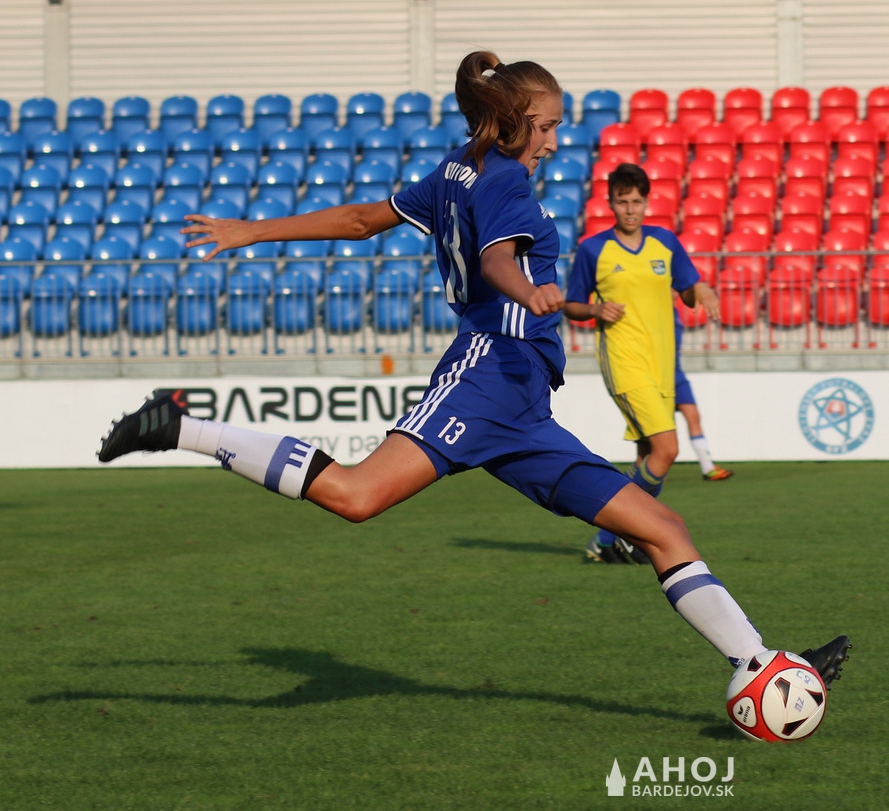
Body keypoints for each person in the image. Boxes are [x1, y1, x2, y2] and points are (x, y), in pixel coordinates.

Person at [97, 51, 849, 693]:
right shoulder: (506, 182)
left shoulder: (456, 170)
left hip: (523, 406)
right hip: (487, 373)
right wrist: (529, 290)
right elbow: (495, 261)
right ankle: (180, 427)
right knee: (356, 495)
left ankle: (758, 663)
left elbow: (361, 221)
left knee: (662, 526)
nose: (555, 139)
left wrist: (253, 230)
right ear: (515, 119)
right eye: (548, 125)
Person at [564, 163, 718, 563]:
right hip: (624, 361)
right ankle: (614, 535)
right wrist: (595, 309)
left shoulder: (665, 242)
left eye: (636, 201)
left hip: (662, 364)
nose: (630, 209)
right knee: (667, 449)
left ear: (647, 202)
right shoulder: (594, 249)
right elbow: (572, 305)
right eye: (622, 202)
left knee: (647, 455)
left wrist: (701, 290)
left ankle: (611, 543)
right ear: (610, 203)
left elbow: (687, 289)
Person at [672, 315, 733, 482]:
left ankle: (708, 468)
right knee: (657, 429)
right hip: (658, 377)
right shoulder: (653, 312)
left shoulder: (675, 313)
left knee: (694, 417)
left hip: (676, 374)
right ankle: (649, 473)